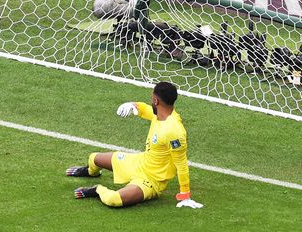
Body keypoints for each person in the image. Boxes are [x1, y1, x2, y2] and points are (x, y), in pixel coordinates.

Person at [66, 82, 203, 209]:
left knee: (113, 200)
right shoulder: (161, 114)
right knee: (94, 158)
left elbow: (181, 163)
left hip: (151, 181)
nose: (151, 101)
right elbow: (146, 110)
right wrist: (133, 105)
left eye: (152, 98)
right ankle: (91, 172)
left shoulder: (174, 131)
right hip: (138, 162)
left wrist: (185, 195)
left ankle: (97, 189)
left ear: (156, 101)